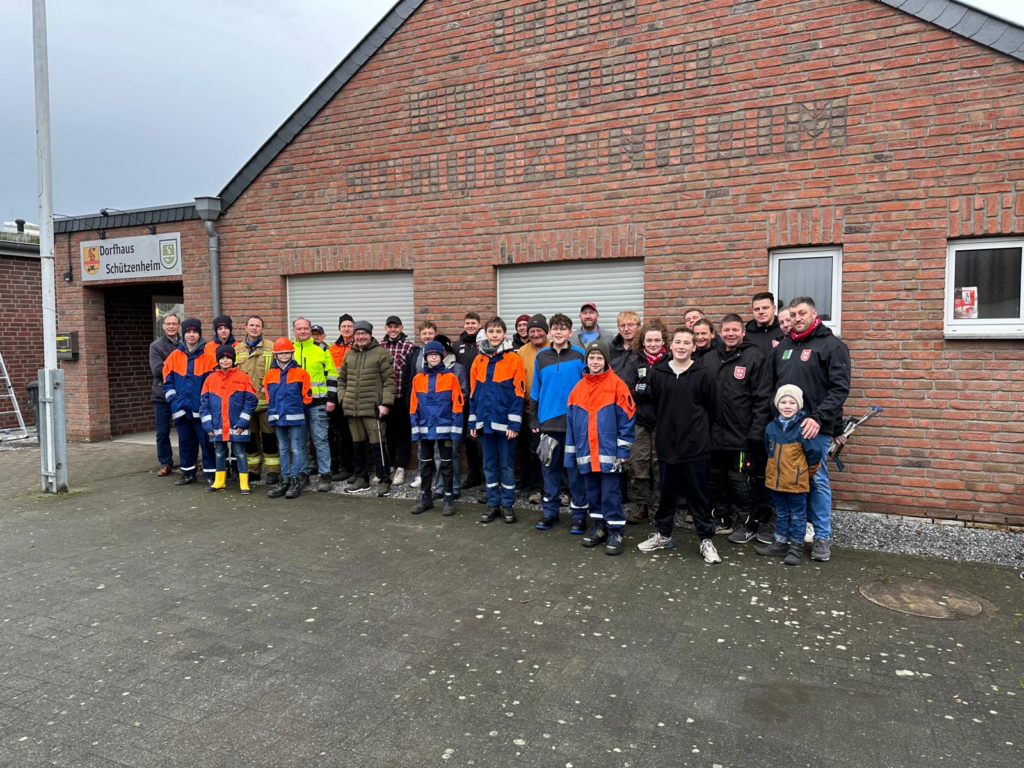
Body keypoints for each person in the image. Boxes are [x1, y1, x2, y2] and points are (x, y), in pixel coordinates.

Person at [772, 297, 851, 563]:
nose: (797, 318)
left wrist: (818, 418)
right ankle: (791, 536)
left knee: (816, 482)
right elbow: (771, 386)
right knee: (788, 480)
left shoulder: (832, 346)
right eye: (793, 314)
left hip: (814, 427)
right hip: (785, 429)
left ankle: (821, 537)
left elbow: (839, 389)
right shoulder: (783, 347)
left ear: (814, 313)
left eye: (802, 313)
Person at [637, 327, 721, 564]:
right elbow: (656, 404)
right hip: (666, 445)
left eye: (687, 343)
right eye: (678, 342)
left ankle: (706, 539)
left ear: (694, 347)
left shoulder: (703, 373)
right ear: (670, 345)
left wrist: (697, 431)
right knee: (667, 494)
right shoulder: (659, 373)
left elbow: (712, 408)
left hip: (695, 446)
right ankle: (663, 535)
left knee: (698, 495)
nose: (682, 346)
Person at [702, 314, 773, 543]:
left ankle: (748, 524)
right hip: (713, 435)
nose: (730, 334)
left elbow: (763, 399)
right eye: (726, 330)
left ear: (743, 332)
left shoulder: (755, 357)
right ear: (720, 333)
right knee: (715, 480)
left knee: (740, 481)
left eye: (735, 330)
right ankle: (722, 519)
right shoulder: (709, 358)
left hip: (742, 436)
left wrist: (757, 431)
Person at [564, 340, 636, 555]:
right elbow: (571, 426)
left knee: (610, 494)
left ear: (606, 360)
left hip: (609, 454)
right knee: (592, 493)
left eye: (599, 357)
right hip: (586, 453)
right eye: (591, 357)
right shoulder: (577, 389)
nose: (595, 361)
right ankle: (599, 526)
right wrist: (570, 455)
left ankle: (615, 530)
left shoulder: (617, 385)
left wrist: (623, 451)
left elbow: (627, 420)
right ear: (586, 360)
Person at [530, 313, 588, 533]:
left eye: (563, 328)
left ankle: (579, 516)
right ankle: (550, 512)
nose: (558, 332)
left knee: (575, 473)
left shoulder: (580, 355)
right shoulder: (541, 356)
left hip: (574, 425)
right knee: (549, 470)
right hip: (548, 424)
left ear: (570, 332)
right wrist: (534, 418)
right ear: (550, 332)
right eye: (555, 328)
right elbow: (535, 389)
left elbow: (588, 388)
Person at [757, 385, 823, 566]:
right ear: (777, 405)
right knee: (781, 513)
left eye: (792, 403)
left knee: (797, 515)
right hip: (775, 482)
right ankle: (780, 543)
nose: (787, 406)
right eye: (783, 402)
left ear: (799, 405)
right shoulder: (771, 427)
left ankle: (795, 547)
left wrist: (802, 474)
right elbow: (768, 450)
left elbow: (815, 456)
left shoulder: (803, 428)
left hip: (796, 484)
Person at [469, 317, 526, 524]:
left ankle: (508, 505)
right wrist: (473, 422)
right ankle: (493, 505)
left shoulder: (514, 359)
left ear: (504, 334)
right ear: (486, 334)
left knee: (507, 466)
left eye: (498, 331)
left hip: (505, 425)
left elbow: (518, 394)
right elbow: (473, 394)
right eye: (491, 331)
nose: (494, 335)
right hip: (484, 424)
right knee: (489, 465)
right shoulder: (478, 360)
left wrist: (514, 424)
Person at [338, 320, 396, 496]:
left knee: (378, 447)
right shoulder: (349, 354)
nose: (360, 336)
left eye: (364, 333)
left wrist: (386, 403)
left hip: (373, 410)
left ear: (370, 335)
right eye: (357, 333)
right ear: (354, 336)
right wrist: (343, 399)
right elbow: (342, 380)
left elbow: (389, 381)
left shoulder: (381, 353)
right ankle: (362, 479)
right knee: (357, 447)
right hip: (353, 409)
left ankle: (384, 480)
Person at [409, 340, 464, 517]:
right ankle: (425, 498)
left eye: (437, 354)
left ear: (442, 356)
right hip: (425, 429)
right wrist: (415, 429)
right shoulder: (418, 379)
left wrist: (455, 430)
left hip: (445, 429)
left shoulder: (451, 377)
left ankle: (448, 499)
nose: (433, 357)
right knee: (425, 465)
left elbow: (458, 405)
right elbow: (413, 406)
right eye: (430, 354)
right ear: (426, 357)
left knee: (446, 465)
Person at [620, 320, 667, 524]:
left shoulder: (669, 360)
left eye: (657, 340)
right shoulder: (634, 361)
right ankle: (642, 506)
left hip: (662, 423)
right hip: (639, 422)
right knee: (639, 464)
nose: (653, 344)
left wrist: (644, 390)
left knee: (660, 466)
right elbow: (626, 391)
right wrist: (649, 391)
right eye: (649, 340)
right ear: (643, 341)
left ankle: (660, 507)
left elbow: (669, 392)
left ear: (663, 341)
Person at [162, 318, 217, 486]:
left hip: (202, 410)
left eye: (195, 332)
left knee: (207, 443)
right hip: (182, 409)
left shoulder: (209, 357)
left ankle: (211, 474)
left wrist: (207, 405)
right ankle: (188, 473)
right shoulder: (173, 357)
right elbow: (167, 383)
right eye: (188, 332)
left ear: (199, 334)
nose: (191, 335)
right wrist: (174, 401)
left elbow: (213, 384)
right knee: (185, 443)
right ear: (183, 334)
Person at [200, 345, 258, 495]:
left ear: (233, 360)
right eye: (222, 358)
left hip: (237, 424)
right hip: (218, 425)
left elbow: (251, 400)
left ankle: (244, 483)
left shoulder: (243, 377)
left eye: (228, 358)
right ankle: (219, 482)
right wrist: (207, 424)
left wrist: (243, 421)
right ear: (218, 360)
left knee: (240, 452)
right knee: (220, 452)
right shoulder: (210, 379)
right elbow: (204, 404)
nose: (225, 360)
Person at [292, 317, 339, 492]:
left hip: (318, 403)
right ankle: (303, 474)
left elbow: (331, 375)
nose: (303, 331)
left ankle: (325, 475)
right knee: (299, 441)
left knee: (320, 440)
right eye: (299, 328)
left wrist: (331, 399)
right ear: (294, 331)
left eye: (306, 328)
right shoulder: (289, 350)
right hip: (296, 405)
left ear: (310, 330)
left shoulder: (322, 349)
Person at [264, 338, 312, 500]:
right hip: (278, 417)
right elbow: (268, 394)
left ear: (292, 353)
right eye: (281, 353)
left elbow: (307, 395)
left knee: (296, 448)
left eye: (287, 352)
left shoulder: (301, 372)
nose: (284, 355)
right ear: (275, 355)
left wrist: (297, 408)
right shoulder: (270, 374)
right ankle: (285, 480)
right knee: (283, 448)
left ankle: (295, 480)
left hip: (294, 416)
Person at [234, 315, 280, 485]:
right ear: (245, 327)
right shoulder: (237, 350)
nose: (254, 328)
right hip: (246, 404)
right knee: (250, 439)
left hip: (267, 403)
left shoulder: (272, 347)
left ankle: (273, 471)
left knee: (269, 438)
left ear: (262, 329)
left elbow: (279, 371)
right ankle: (253, 470)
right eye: (251, 325)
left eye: (257, 325)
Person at [430, 334, 468, 500]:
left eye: (440, 350)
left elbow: (464, 393)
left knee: (453, 453)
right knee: (438, 454)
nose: (437, 354)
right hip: (435, 419)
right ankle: (440, 488)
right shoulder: (430, 369)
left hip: (452, 418)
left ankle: (454, 487)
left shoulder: (457, 368)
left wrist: (450, 408)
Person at [516, 314, 549, 503]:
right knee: (533, 450)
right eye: (532, 331)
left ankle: (555, 487)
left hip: (550, 411)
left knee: (552, 450)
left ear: (546, 332)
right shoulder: (522, 352)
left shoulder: (553, 349)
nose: (536, 334)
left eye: (539, 330)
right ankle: (536, 487)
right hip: (528, 411)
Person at [381, 316, 416, 486]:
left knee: (403, 433)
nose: (393, 329)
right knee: (389, 434)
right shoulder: (380, 346)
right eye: (390, 327)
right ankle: (389, 466)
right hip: (386, 399)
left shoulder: (409, 347)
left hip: (402, 398)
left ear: (401, 328)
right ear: (386, 328)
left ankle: (401, 468)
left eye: (396, 326)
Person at [455, 312, 484, 489]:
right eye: (468, 323)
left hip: (482, 399)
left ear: (479, 324)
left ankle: (487, 477)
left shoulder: (485, 343)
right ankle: (473, 475)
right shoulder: (457, 346)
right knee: (468, 439)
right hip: (464, 401)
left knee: (483, 438)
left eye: (474, 323)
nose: (470, 326)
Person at [149, 313, 180, 476]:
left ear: (179, 325)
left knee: (186, 431)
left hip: (182, 395)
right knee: (162, 432)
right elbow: (157, 371)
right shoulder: (156, 346)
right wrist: (178, 365)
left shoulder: (186, 343)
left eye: (174, 323)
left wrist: (167, 364)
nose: (171, 326)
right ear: (163, 326)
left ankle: (190, 461)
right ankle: (166, 463)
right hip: (161, 395)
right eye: (168, 324)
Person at [327, 315, 355, 482]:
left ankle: (350, 468)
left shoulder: (357, 346)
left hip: (352, 395)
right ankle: (337, 466)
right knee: (335, 433)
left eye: (349, 326)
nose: (346, 329)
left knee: (350, 433)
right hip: (335, 395)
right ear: (339, 328)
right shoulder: (332, 348)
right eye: (343, 326)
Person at [746, 292, 785, 357]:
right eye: (757, 309)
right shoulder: (746, 335)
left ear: (774, 309)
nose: (761, 312)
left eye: (765, 308)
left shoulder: (784, 329)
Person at [610, 310, 641, 375]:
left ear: (639, 327)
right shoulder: (611, 349)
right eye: (622, 326)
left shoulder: (643, 349)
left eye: (630, 325)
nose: (626, 329)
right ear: (618, 328)